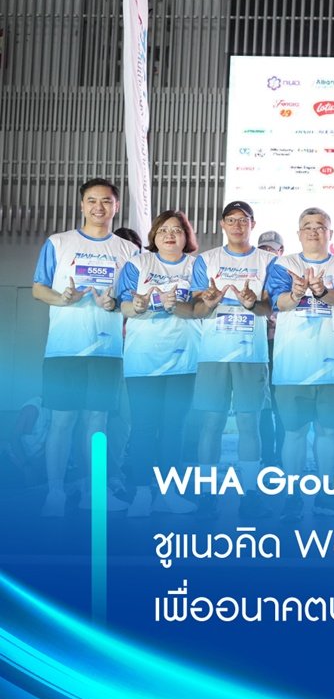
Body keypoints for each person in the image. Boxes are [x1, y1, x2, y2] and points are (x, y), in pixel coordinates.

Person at [31, 178, 137, 516]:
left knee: (97, 423)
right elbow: (38, 289)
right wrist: (62, 298)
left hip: (107, 352)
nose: (98, 207)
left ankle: (95, 492)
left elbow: (131, 301)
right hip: (65, 350)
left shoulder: (129, 251)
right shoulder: (58, 242)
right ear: (81, 205)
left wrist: (113, 304)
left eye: (106, 201)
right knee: (62, 422)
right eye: (92, 200)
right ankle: (55, 494)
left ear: (116, 206)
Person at [265, 207, 334, 521]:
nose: (314, 231)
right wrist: (295, 293)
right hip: (292, 365)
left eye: (320, 226)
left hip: (333, 365)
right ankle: (292, 497)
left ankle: (326, 495)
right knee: (293, 433)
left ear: (330, 233)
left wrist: (320, 290)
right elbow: (279, 302)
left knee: (327, 432)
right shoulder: (283, 264)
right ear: (298, 233)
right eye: (307, 226)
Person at [189, 201, 276, 519]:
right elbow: (196, 309)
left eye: (243, 220)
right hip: (213, 354)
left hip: (252, 355)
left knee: (249, 424)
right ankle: (206, 493)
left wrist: (254, 304)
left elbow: (270, 308)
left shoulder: (268, 261)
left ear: (253, 224)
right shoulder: (206, 260)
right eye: (231, 220)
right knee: (211, 424)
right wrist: (210, 302)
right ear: (222, 224)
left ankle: (250, 493)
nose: (238, 225)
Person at [117, 211, 202, 517]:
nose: (170, 235)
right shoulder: (138, 264)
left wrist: (177, 306)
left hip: (184, 359)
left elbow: (202, 308)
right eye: (163, 230)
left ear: (186, 236)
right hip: (143, 359)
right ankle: (141, 493)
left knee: (174, 429)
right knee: (143, 427)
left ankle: (168, 494)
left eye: (177, 230)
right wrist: (138, 305)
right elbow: (124, 304)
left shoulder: (197, 266)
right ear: (153, 235)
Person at [256, 230, 286, 467]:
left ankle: (283, 457)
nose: (267, 254)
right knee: (263, 405)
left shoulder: (288, 273)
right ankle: (267, 458)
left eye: (271, 250)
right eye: (263, 249)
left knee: (281, 406)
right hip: (258, 347)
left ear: (280, 251)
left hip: (281, 347)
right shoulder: (254, 274)